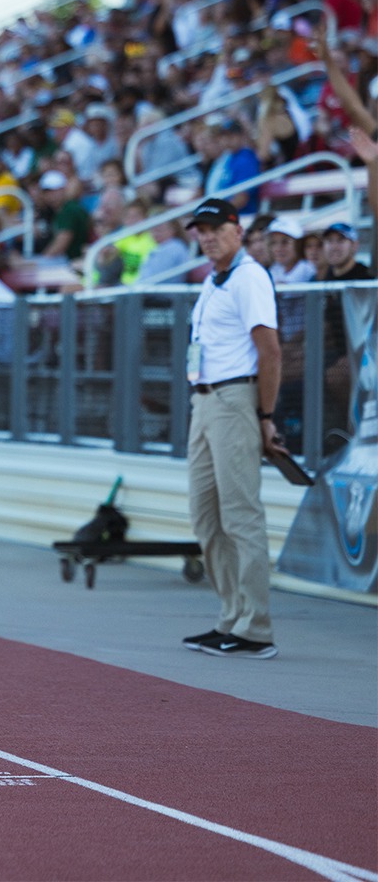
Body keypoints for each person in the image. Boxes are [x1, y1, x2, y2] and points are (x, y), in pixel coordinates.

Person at [182, 198, 282, 660]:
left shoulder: (250, 277)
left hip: (233, 398)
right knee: (205, 513)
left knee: (241, 513)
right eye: (201, 230)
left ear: (237, 231)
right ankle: (230, 616)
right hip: (204, 400)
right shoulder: (212, 281)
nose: (206, 237)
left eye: (215, 228)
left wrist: (264, 415)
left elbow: (270, 351)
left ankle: (255, 627)